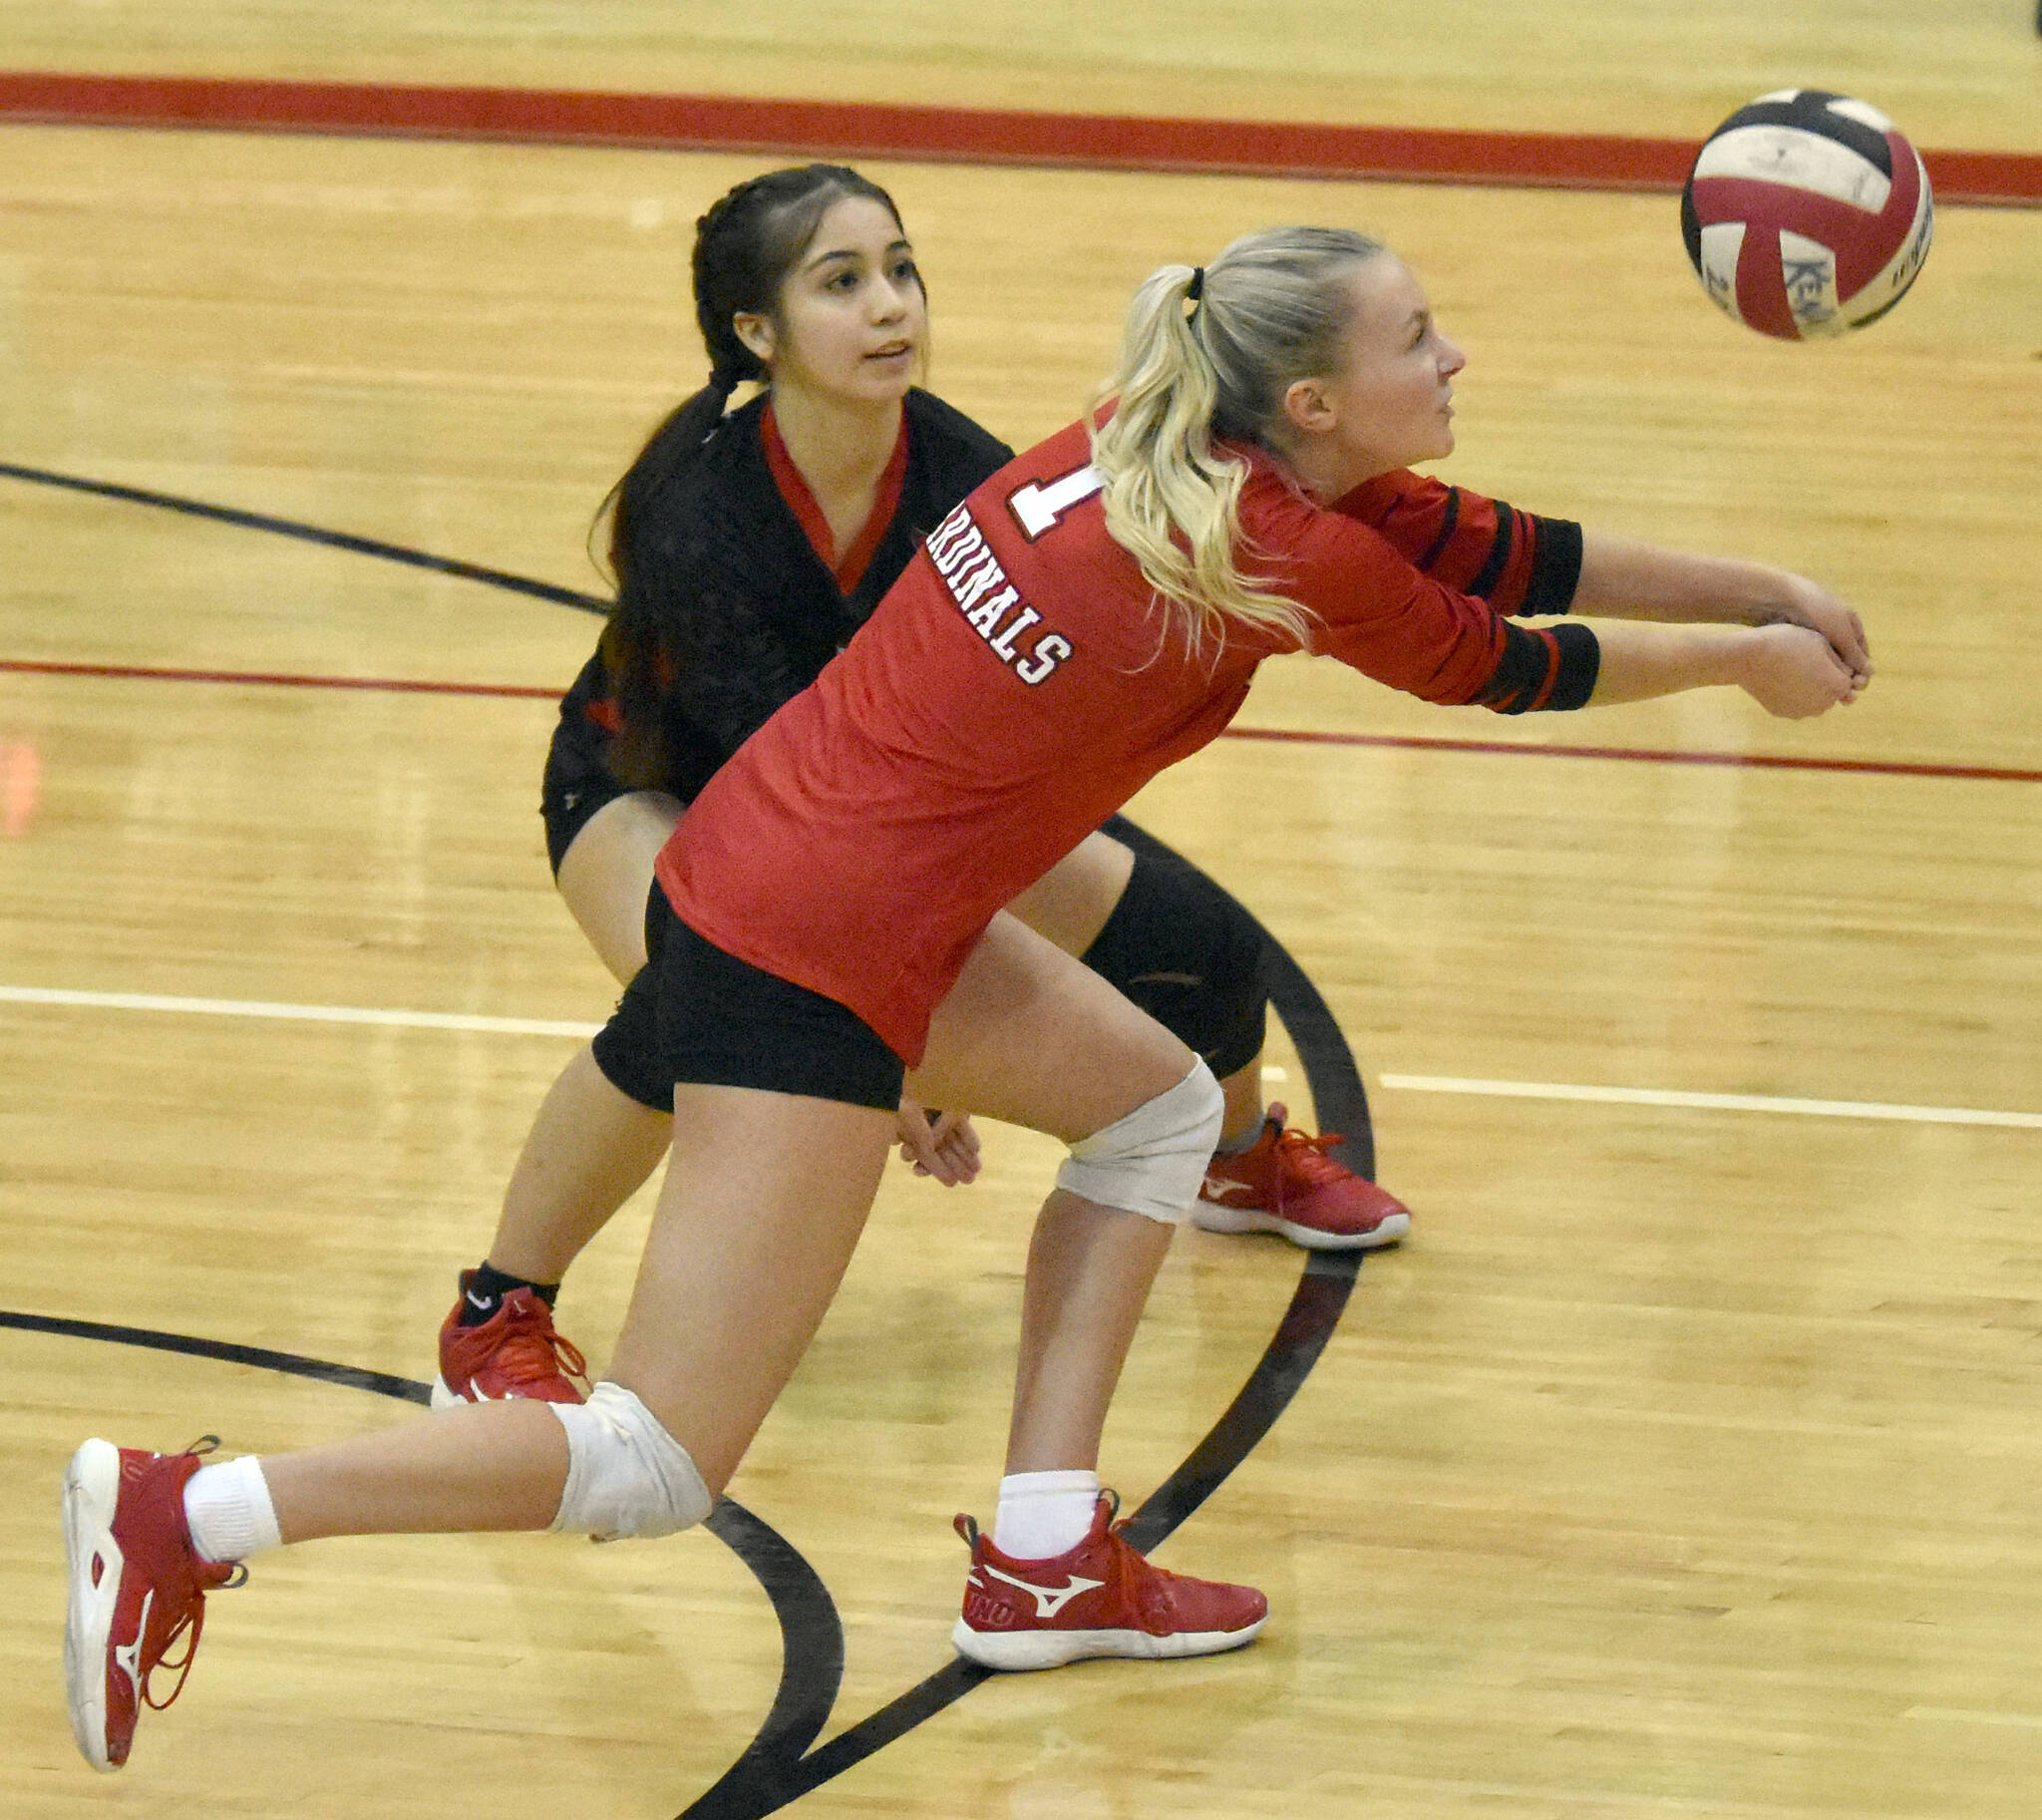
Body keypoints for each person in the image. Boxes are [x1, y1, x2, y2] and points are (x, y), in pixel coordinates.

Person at [63, 222, 1871, 1774]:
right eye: (1418, 335)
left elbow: (1498, 548)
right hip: (814, 941)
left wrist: (1764, 584)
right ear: (1307, 401)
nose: (1451, 349)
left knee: (1159, 1102)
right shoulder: (1284, 543)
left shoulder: (1174, 443)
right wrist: (1742, 665)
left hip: (810, 862)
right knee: (657, 1465)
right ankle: (194, 1513)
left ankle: (1041, 1556)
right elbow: (1508, 661)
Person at [438, 165, 1423, 1409]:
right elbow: (778, 822)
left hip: (878, 812)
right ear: (757, 332)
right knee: (702, 1003)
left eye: (900, 269)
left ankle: (1233, 1161)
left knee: (1198, 946)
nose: (890, 306)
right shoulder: (697, 511)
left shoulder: (962, 464)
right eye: (841, 283)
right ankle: (497, 1307)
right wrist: (896, 1055)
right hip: (661, 797)